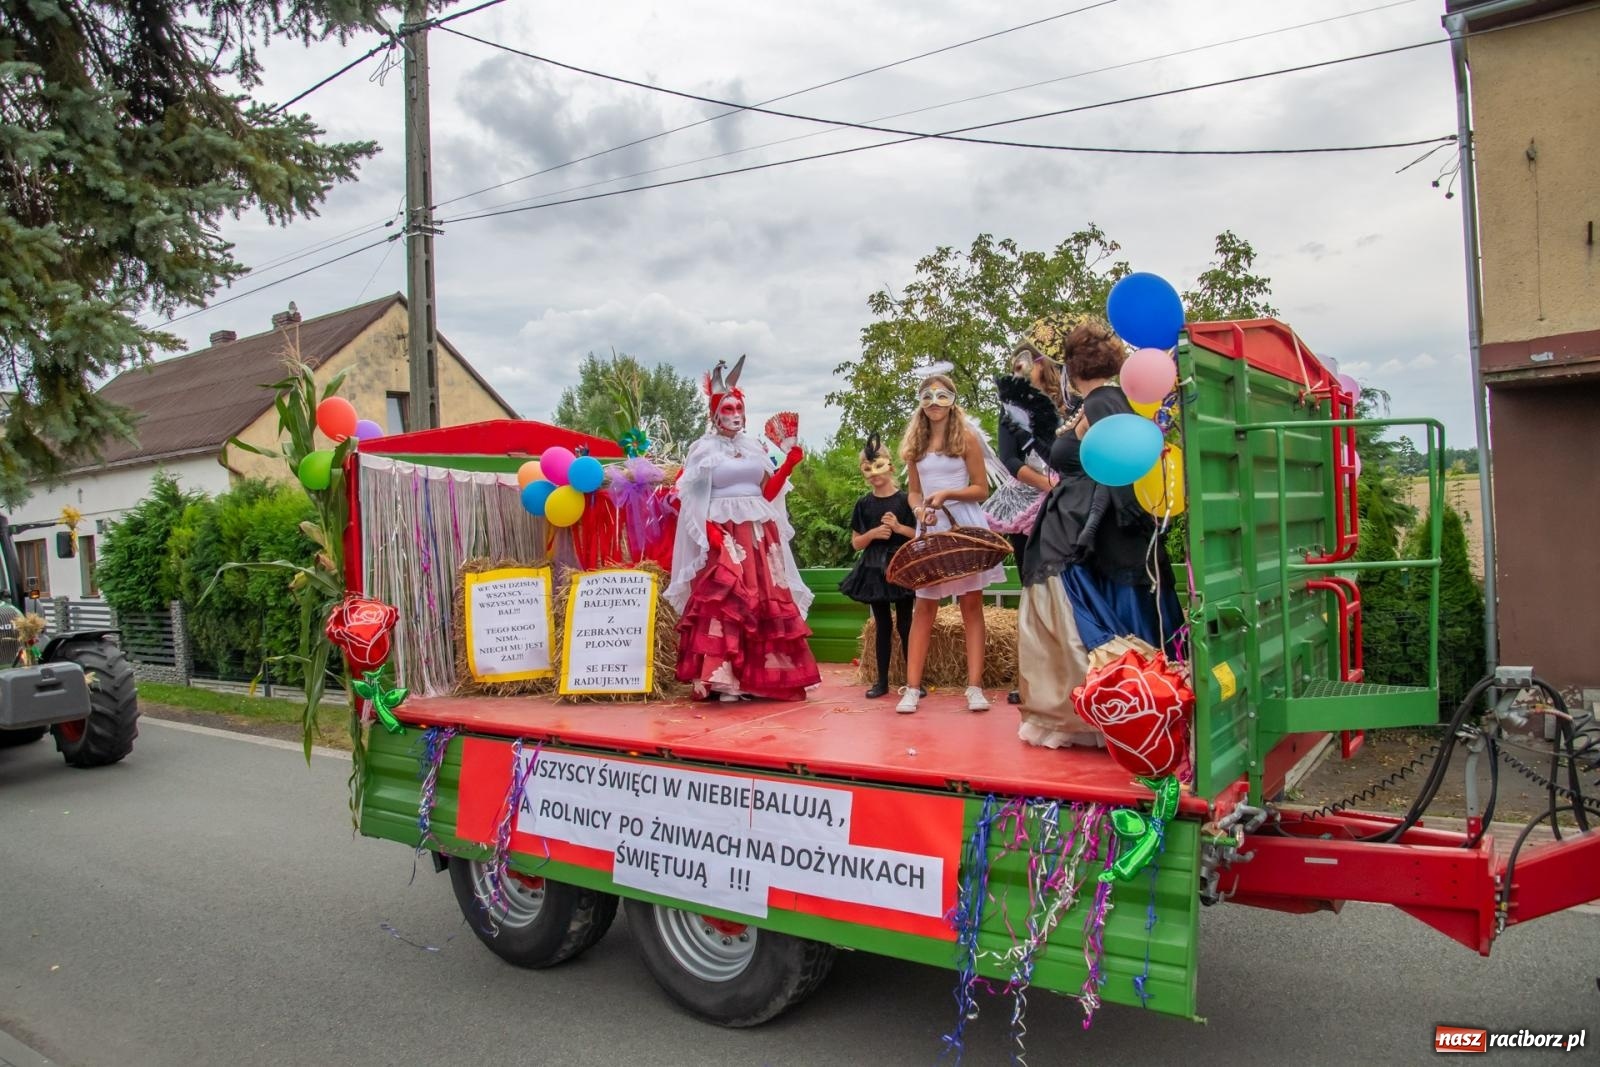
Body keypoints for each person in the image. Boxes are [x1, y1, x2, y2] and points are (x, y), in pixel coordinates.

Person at [1017, 320, 1183, 747]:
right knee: (1065, 607)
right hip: (1078, 523)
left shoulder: (1104, 403)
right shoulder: (1100, 403)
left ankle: (1104, 709)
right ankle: (1094, 709)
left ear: (1071, 367)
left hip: (1086, 530)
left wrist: (1103, 526)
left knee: (1072, 610)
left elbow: (1123, 470)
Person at [666, 356, 821, 702]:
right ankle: (724, 680)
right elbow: (688, 499)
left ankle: (757, 679)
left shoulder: (755, 448)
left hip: (757, 535)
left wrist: (788, 467)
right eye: (727, 408)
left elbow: (767, 492)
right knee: (727, 602)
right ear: (715, 413)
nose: (735, 414)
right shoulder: (702, 450)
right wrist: (711, 534)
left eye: (739, 408)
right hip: (724, 534)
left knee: (762, 602)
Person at [896, 370, 1007, 715]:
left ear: (953, 400)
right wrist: (918, 510)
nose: (934, 403)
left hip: (964, 527)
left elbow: (981, 489)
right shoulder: (915, 444)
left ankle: (975, 688)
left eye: (941, 395)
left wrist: (947, 494)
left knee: (971, 605)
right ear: (920, 403)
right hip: (931, 528)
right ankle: (912, 688)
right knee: (924, 606)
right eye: (927, 397)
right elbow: (915, 491)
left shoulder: (967, 438)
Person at [990, 341, 1065, 703]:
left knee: (1069, 588)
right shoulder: (1010, 412)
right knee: (1033, 589)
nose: (1019, 368)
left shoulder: (1069, 404)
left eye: (1026, 361)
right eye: (1014, 363)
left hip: (1070, 503)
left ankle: (1071, 670)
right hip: (1030, 504)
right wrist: (1050, 486)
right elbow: (1009, 459)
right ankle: (1030, 677)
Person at [839, 433, 917, 699]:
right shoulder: (863, 504)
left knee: (906, 623)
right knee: (882, 624)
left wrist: (898, 527)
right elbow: (856, 543)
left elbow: (920, 535)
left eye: (878, 467)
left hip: (902, 565)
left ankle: (913, 682)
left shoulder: (907, 500)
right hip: (873, 569)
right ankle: (881, 681)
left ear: (891, 466)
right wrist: (872, 534)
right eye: (867, 470)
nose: (874, 474)